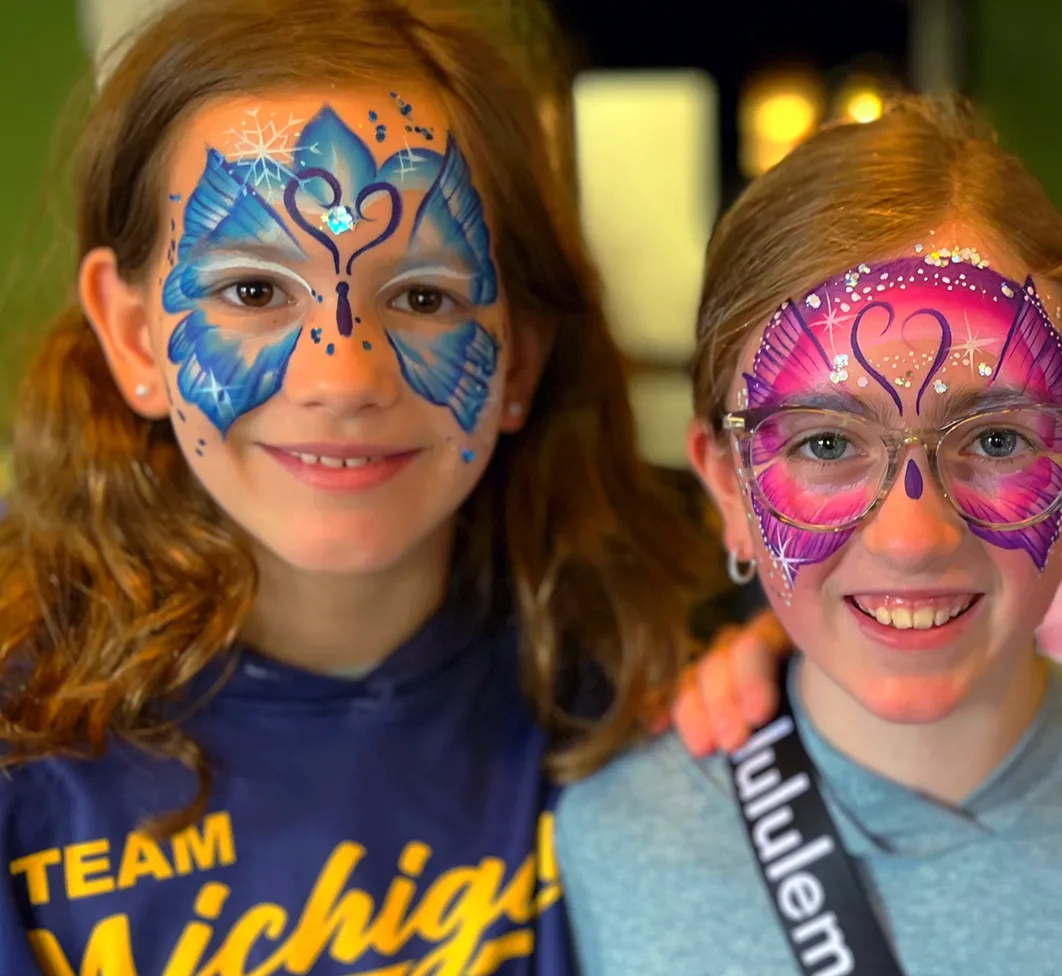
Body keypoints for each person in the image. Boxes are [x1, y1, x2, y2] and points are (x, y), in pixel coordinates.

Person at [0, 0, 789, 970]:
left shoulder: (645, 642)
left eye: (423, 298)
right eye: (253, 292)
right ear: (134, 337)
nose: (342, 379)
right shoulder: (21, 730)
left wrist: (801, 669)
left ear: (519, 363)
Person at [557, 94, 1062, 976]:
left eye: (996, 439)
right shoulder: (608, 844)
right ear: (726, 484)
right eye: (827, 443)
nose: (913, 537)